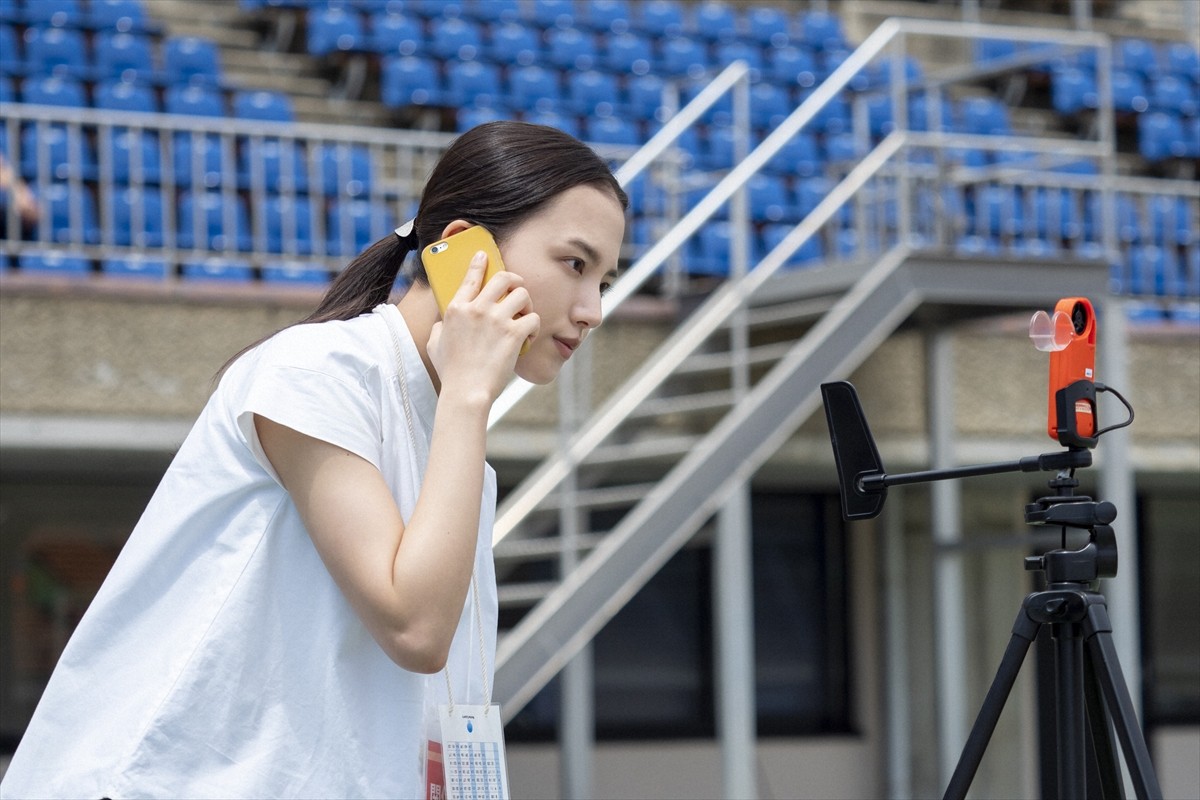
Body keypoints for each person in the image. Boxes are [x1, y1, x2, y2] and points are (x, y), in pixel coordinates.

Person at [0, 121, 628, 797]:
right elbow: (415, 628)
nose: (593, 310)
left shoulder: (453, 440)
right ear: (463, 251)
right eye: (575, 264)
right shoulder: (317, 372)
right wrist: (471, 395)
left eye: (606, 279)